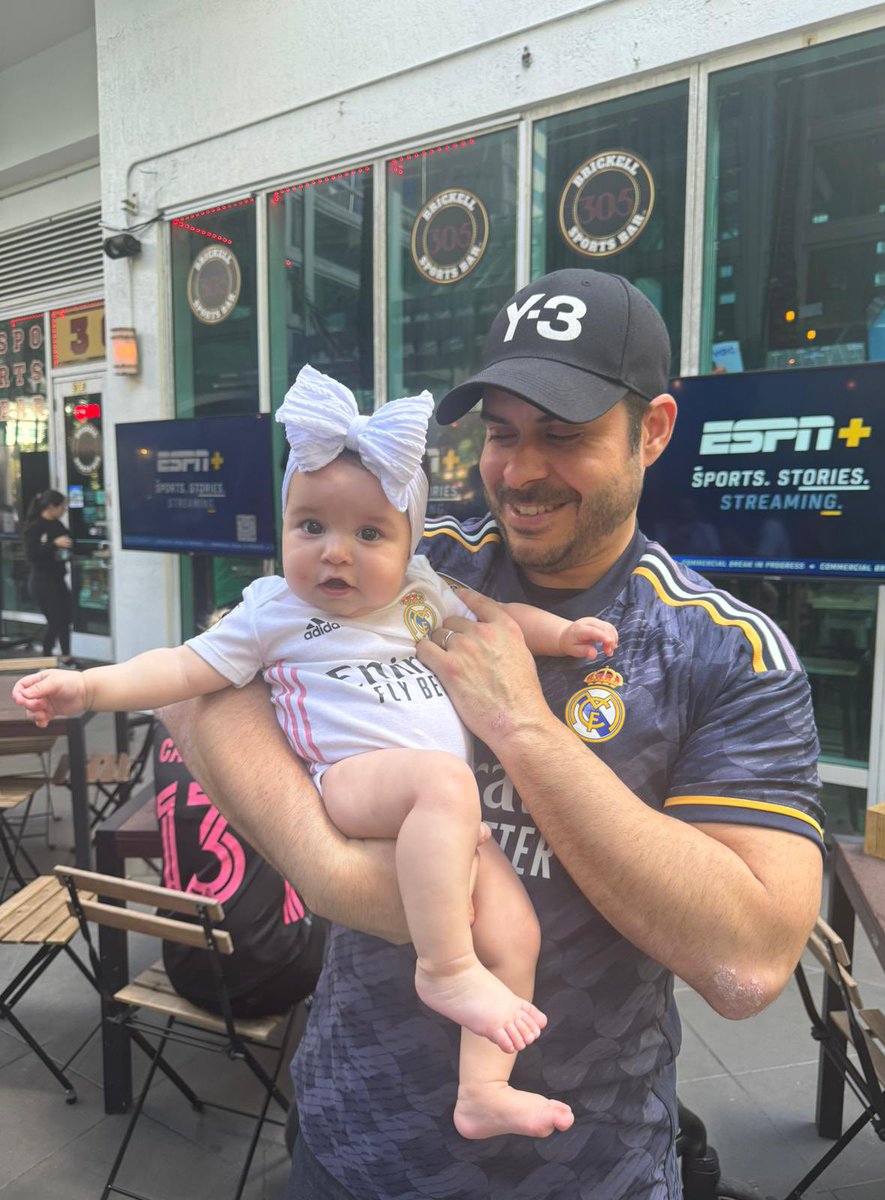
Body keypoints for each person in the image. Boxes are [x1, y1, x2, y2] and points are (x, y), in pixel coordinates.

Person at [149, 269, 825, 1200]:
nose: (520, 468)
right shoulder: (410, 560)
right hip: (344, 1136)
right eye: (503, 433)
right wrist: (328, 870)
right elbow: (200, 692)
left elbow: (751, 961)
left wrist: (523, 728)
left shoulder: (721, 650)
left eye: (565, 434)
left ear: (654, 431)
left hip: (578, 1172)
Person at [13, 365, 617, 1141]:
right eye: (312, 527)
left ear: (408, 544)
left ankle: (482, 1091)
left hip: (443, 814)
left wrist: (562, 636)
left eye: (369, 534)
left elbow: (496, 618)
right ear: (284, 526)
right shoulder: (273, 611)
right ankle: (444, 968)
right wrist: (91, 690)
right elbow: (183, 668)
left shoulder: (422, 595)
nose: (335, 554)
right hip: (356, 787)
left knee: (517, 932)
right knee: (442, 787)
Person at [152, 717, 325, 1018]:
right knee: (350, 890)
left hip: (185, 969)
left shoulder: (165, 725)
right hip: (278, 976)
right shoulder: (275, 723)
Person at [23, 489, 74, 662]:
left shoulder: (58, 525)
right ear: (52, 507)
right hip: (42, 582)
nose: (64, 511)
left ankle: (66, 656)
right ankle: (46, 658)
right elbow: (32, 554)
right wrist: (53, 544)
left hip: (58, 578)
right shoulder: (35, 526)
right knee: (55, 619)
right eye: (62, 507)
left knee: (66, 617)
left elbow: (69, 543)